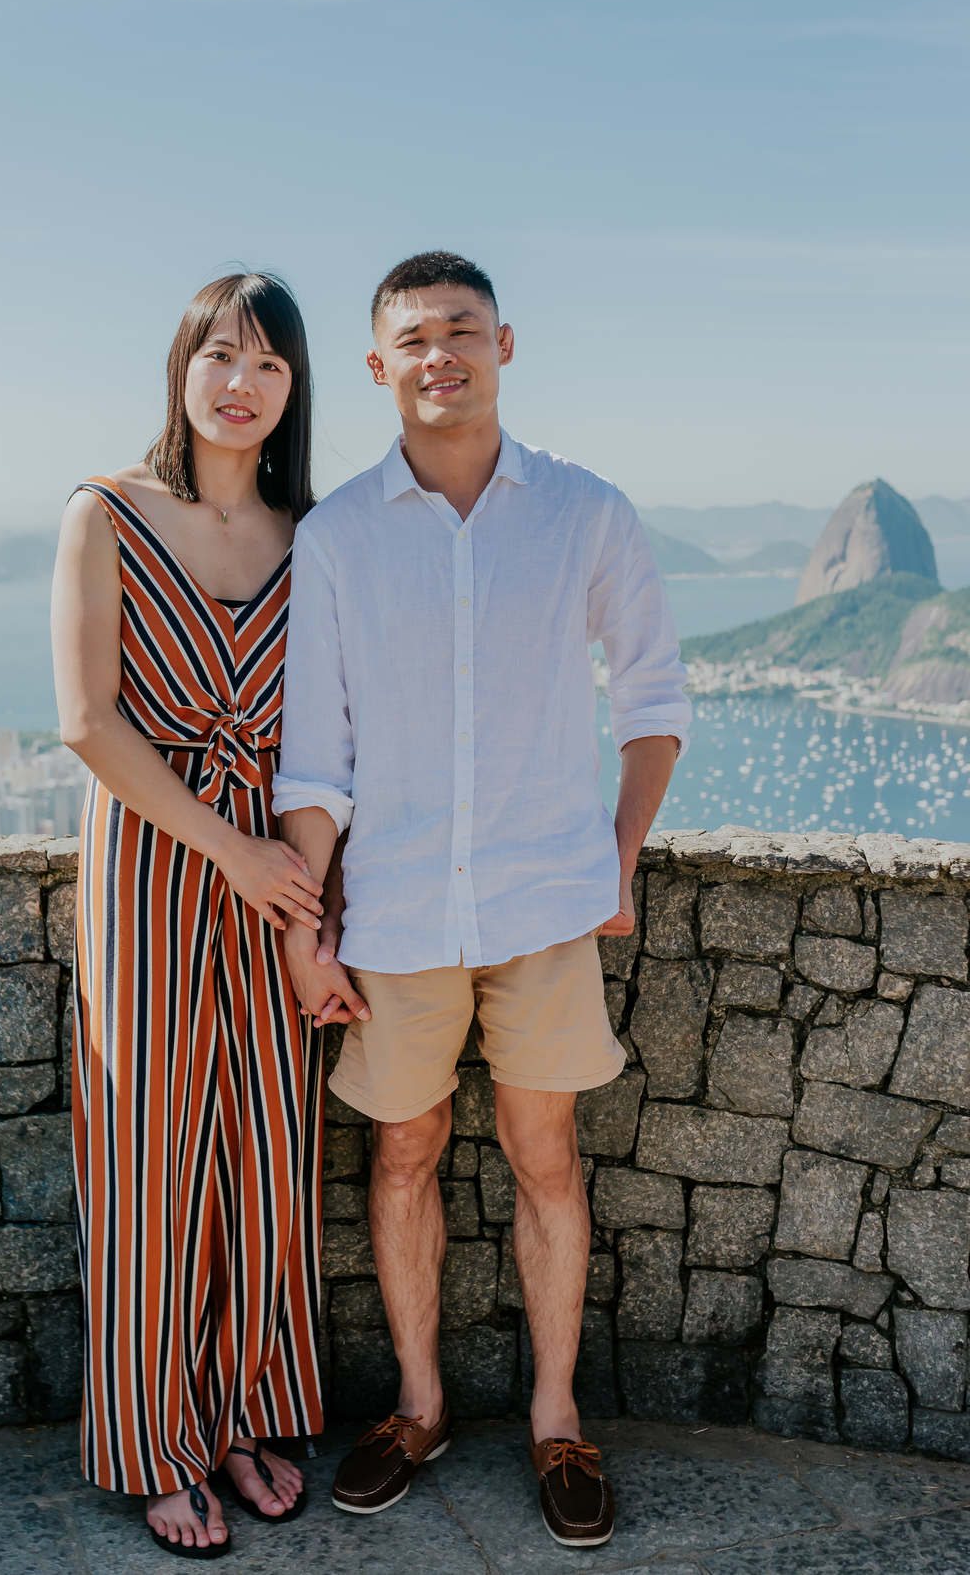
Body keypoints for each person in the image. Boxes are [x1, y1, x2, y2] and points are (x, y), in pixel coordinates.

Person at [273, 251, 691, 1549]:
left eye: (462, 329)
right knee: (401, 1155)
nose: (439, 354)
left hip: (545, 905)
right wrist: (307, 925)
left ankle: (559, 1419)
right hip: (393, 913)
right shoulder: (337, 536)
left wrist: (618, 856)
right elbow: (315, 758)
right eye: (414, 337)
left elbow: (654, 698)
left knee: (544, 1155)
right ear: (377, 366)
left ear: (505, 344)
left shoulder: (585, 511)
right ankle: (418, 1407)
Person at [51, 272, 334, 1558]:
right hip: (157, 867)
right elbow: (88, 722)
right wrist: (233, 853)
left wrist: (299, 903)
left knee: (267, 1150)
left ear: (294, 390)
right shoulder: (105, 511)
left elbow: (330, 738)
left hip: (279, 878)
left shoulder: (314, 537)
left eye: (268, 364)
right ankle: (152, 1441)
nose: (240, 382)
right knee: (149, 1156)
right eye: (220, 354)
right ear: (181, 367)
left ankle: (240, 1414)